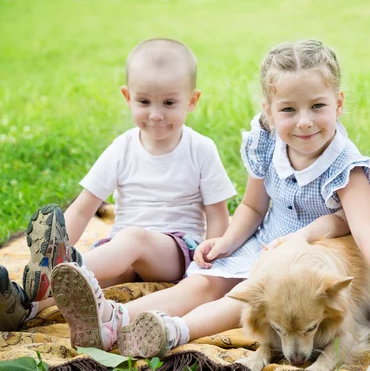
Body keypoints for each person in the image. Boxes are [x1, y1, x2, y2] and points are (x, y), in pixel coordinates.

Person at [50, 39, 370, 358]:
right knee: (205, 281)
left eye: (317, 106)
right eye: (289, 110)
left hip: (309, 267)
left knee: (246, 296)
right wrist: (226, 241)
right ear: (269, 110)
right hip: (262, 242)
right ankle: (114, 318)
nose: (304, 122)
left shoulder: (345, 168)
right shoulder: (267, 142)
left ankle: (172, 331)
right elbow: (252, 206)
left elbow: (368, 235)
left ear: (338, 104)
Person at [0, 38, 237, 334]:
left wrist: (209, 262)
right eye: (144, 102)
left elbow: (218, 214)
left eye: (169, 103)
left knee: (132, 239)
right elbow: (85, 206)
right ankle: (25, 306)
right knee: (87, 285)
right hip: (120, 249)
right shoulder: (122, 147)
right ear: (128, 97)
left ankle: (66, 267)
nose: (155, 114)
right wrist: (60, 246)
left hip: (176, 250)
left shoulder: (200, 148)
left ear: (192, 100)